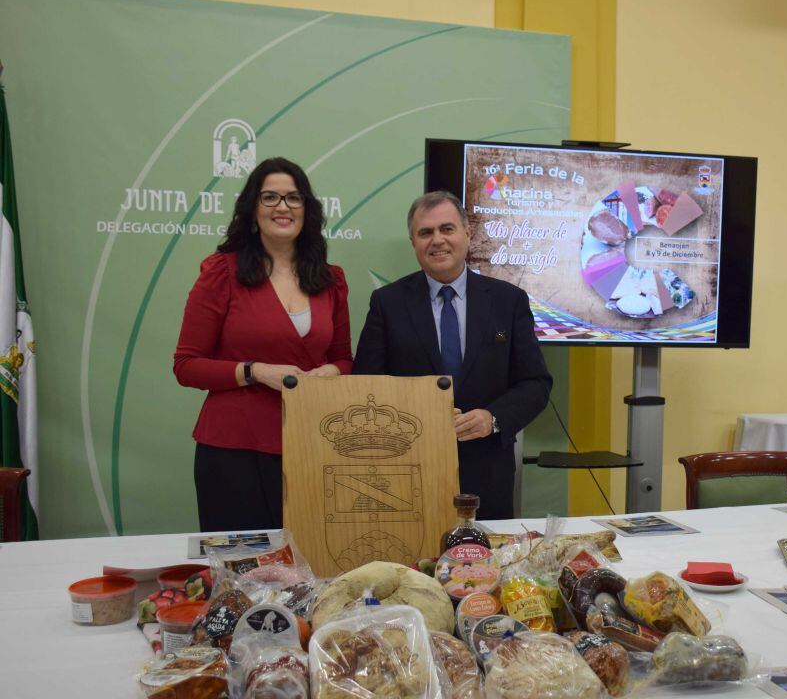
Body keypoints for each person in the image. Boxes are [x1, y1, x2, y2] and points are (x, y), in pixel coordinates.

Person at [174, 157, 353, 531]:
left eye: (293, 198)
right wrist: (255, 372)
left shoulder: (331, 279)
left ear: (308, 210)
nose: (282, 207)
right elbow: (187, 366)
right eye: (269, 197)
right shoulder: (222, 272)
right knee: (242, 575)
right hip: (233, 450)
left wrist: (331, 371)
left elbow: (343, 358)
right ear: (252, 209)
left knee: (310, 567)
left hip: (312, 443)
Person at [352, 191, 552, 519]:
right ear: (413, 241)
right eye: (425, 232)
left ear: (467, 234)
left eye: (447, 229)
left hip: (487, 472)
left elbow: (535, 382)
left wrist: (493, 418)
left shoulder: (508, 301)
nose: (438, 241)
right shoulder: (387, 304)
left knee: (486, 567)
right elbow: (366, 386)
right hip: (406, 470)